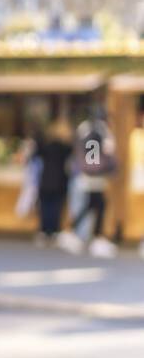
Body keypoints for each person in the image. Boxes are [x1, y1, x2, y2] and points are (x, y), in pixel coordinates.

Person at [59, 107, 118, 258]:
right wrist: (101, 169)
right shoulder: (96, 130)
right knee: (98, 204)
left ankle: (76, 233)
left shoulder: (85, 129)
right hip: (93, 176)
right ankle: (94, 237)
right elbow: (94, 155)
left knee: (93, 204)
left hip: (86, 174)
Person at [33, 118, 73, 245]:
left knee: (45, 207)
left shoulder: (46, 146)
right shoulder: (65, 148)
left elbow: (36, 153)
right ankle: (54, 230)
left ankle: (44, 230)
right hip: (60, 181)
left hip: (45, 180)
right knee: (56, 207)